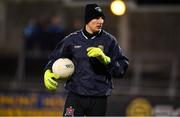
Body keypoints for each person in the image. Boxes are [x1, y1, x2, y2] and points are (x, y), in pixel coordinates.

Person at [43, 3, 129, 116]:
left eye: (102, 18)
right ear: (87, 19)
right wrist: (47, 71)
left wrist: (106, 60)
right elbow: (54, 58)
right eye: (97, 17)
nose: (101, 21)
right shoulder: (72, 40)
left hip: (99, 97)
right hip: (75, 95)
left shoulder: (109, 41)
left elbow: (121, 69)